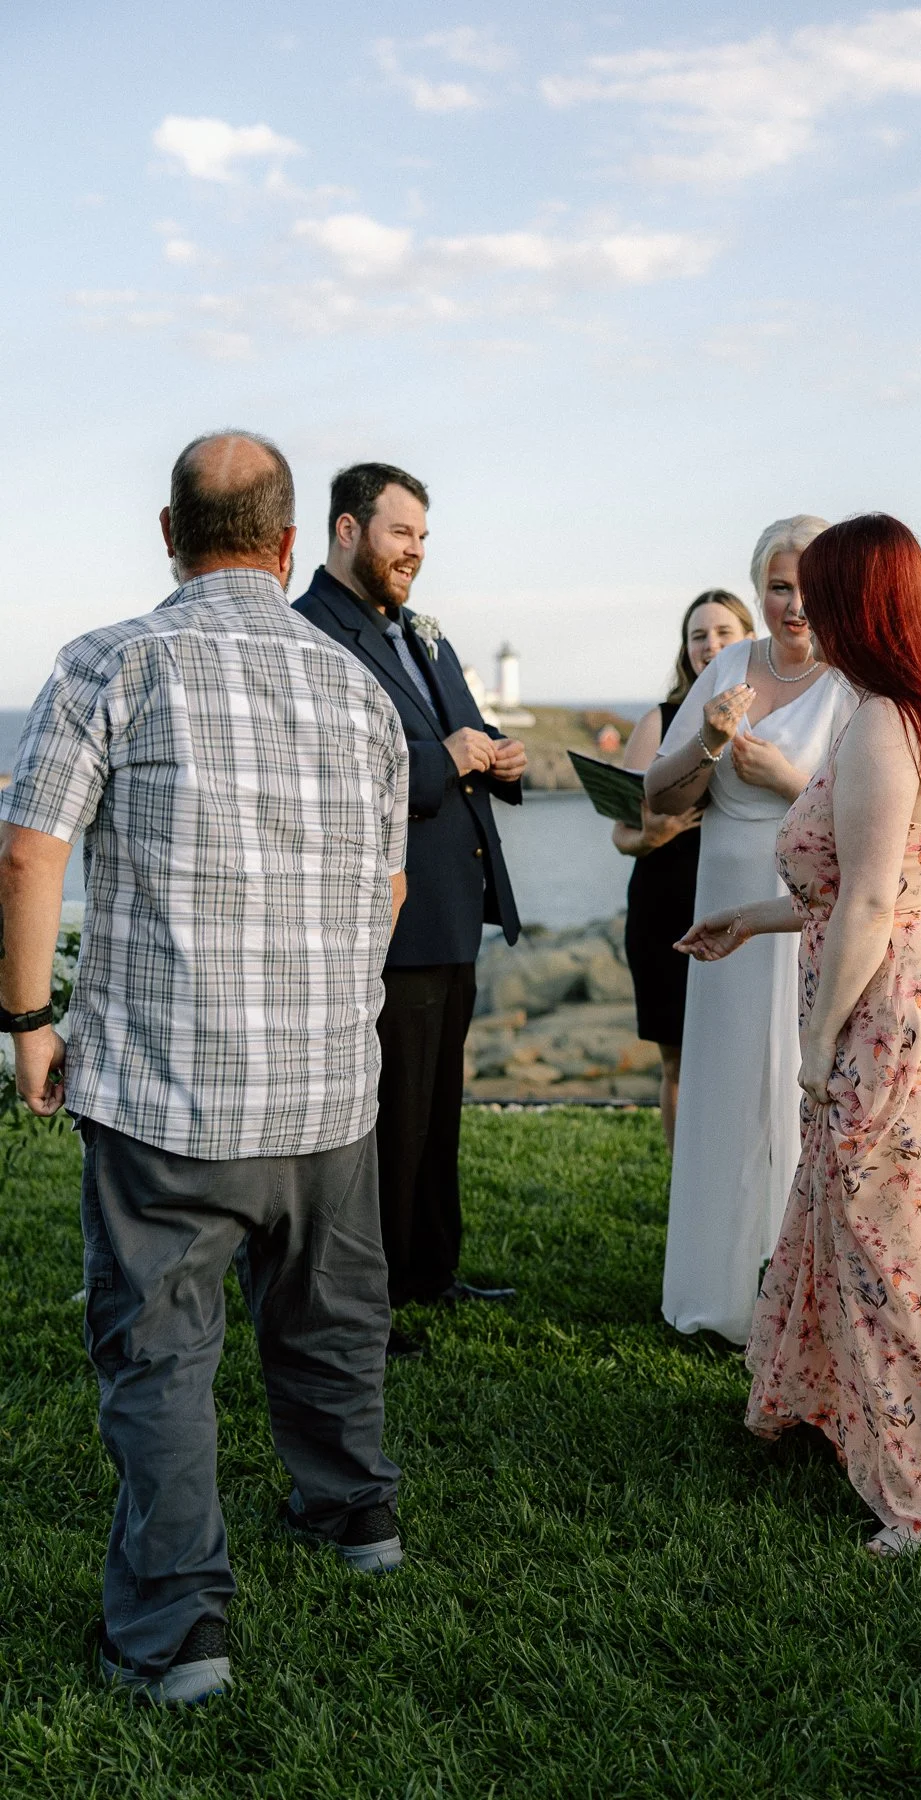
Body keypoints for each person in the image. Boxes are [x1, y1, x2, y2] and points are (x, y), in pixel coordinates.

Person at [0, 433, 410, 1706]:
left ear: (167, 534)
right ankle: (358, 1522)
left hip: (170, 1088)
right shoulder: (359, 690)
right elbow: (389, 887)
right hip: (331, 1086)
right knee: (332, 1317)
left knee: (163, 1355)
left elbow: (28, 856)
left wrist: (27, 1021)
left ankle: (179, 1638)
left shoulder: (109, 662)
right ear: (291, 548)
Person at [678, 513, 921, 1556]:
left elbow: (869, 906)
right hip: (915, 998)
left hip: (889, 1018)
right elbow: (875, 892)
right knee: (837, 1223)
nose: (800, 608)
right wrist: (755, 917)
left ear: (861, 603)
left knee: (891, 1254)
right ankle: (819, 1406)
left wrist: (817, 1046)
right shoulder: (910, 712)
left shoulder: (878, 725)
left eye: (820, 589)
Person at [294, 464, 526, 1361]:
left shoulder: (421, 634)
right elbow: (337, 774)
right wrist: (450, 759)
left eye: (424, 538)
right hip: (385, 916)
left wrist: (502, 761)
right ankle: (371, 1300)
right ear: (348, 530)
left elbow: (463, 732)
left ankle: (432, 1269)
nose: (416, 553)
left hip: (452, 906)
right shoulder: (313, 633)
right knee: (388, 1114)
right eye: (402, 534)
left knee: (438, 1106)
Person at [645, 517, 856, 1343]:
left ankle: (792, 1298)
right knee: (725, 1091)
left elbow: (873, 821)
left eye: (808, 586)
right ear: (758, 588)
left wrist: (787, 775)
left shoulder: (851, 685)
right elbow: (659, 798)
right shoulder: (728, 666)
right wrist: (708, 738)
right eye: (778, 586)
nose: (794, 604)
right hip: (725, 900)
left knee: (792, 1087)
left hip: (806, 911)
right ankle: (713, 1293)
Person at [613, 590, 755, 1150]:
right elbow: (621, 833)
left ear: (749, 638)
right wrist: (651, 835)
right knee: (676, 1059)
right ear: (686, 648)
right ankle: (684, 1187)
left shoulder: (778, 722)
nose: (710, 645)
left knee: (745, 1053)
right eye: (699, 635)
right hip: (665, 907)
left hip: (749, 905)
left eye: (724, 632)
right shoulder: (661, 721)